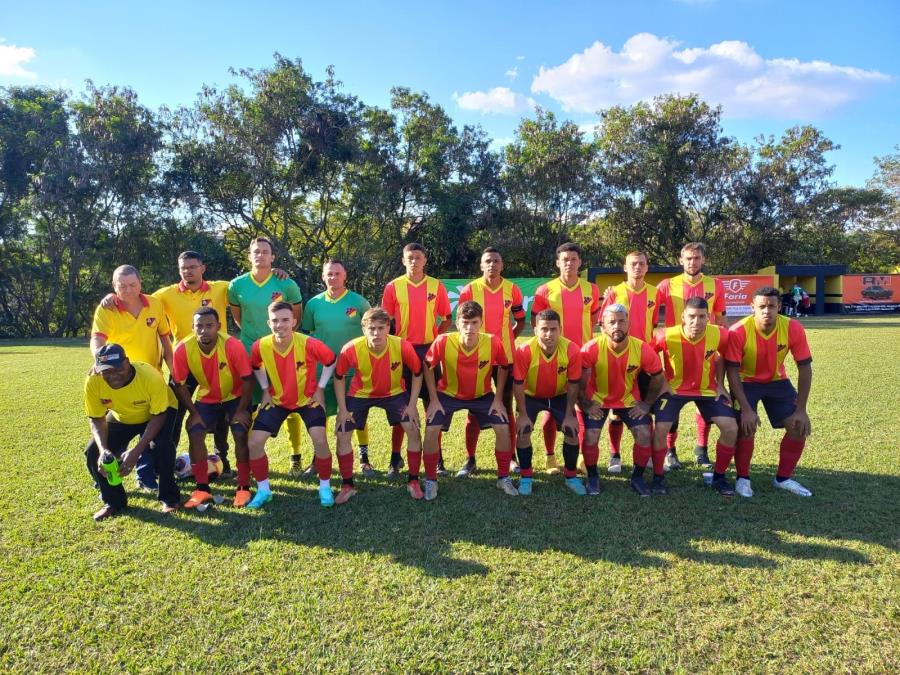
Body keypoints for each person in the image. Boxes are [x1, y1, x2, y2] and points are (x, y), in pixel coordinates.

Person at [247, 302, 339, 509]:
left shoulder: (308, 343)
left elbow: (331, 360)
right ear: (268, 323)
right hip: (277, 401)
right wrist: (264, 388)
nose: (280, 325)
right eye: (276, 321)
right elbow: (256, 365)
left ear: (294, 322)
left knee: (320, 441)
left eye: (285, 320)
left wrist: (321, 387)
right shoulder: (260, 345)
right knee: (254, 443)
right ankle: (263, 491)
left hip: (308, 400)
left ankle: (325, 487)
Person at [228, 237, 307, 477]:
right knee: (251, 403)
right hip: (250, 349)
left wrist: (279, 339)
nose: (260, 255)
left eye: (265, 252)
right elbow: (238, 318)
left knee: (290, 402)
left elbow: (296, 318)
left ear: (273, 257)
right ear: (249, 256)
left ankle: (295, 456)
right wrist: (255, 339)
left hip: (283, 350)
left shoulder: (287, 284)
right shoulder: (236, 285)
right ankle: (255, 457)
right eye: (256, 252)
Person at [724, 287, 814, 497]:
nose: (767, 311)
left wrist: (801, 409)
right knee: (746, 427)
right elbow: (732, 372)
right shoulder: (738, 330)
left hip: (777, 381)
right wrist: (745, 408)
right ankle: (743, 478)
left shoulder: (793, 328)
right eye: (762, 306)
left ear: (779, 307)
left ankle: (783, 479)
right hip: (746, 382)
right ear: (752, 307)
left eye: (772, 306)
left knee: (798, 428)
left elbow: (805, 368)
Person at [90, 264, 173, 490]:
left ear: (140, 284)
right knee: (119, 428)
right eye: (122, 286)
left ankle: (145, 477)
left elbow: (165, 339)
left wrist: (173, 368)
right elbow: (97, 338)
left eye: (132, 285)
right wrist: (99, 361)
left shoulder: (155, 304)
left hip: (149, 378)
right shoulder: (106, 308)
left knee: (148, 430)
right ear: (114, 286)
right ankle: (108, 471)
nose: (127, 290)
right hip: (118, 380)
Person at [423, 301, 516, 500]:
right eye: (465, 322)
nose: (469, 328)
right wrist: (433, 399)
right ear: (457, 323)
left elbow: (503, 367)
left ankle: (503, 477)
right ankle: (430, 480)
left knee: (503, 427)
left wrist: (498, 399)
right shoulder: (443, 341)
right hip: (447, 395)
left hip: (481, 395)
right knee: (431, 428)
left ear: (481, 323)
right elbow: (427, 366)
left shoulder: (492, 341)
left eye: (474, 323)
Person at [651, 297, 739, 496]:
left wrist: (720, 383)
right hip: (674, 390)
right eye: (691, 316)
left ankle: (719, 477)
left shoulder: (719, 334)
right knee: (661, 428)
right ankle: (658, 477)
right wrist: (662, 380)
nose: (696, 322)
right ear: (683, 317)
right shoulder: (667, 335)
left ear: (708, 318)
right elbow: (647, 356)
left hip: (707, 391)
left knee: (731, 427)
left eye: (701, 317)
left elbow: (724, 355)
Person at [334, 308, 424, 502]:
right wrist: (342, 409)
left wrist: (412, 404)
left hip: (395, 393)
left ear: (388, 328)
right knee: (342, 432)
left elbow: (418, 373)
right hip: (361, 394)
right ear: (364, 329)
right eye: (371, 328)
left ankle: (413, 480)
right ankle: (348, 485)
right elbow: (339, 377)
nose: (376, 333)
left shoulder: (402, 346)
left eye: (381, 328)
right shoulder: (350, 348)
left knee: (413, 428)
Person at [84, 344, 180, 520]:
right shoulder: (93, 381)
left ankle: (170, 498)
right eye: (106, 372)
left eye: (118, 368)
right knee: (93, 451)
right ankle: (114, 501)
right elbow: (97, 418)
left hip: (157, 412)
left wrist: (137, 450)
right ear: (98, 370)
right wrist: (104, 449)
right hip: (123, 416)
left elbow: (159, 415)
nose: (113, 375)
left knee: (162, 446)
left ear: (127, 362)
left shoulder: (150, 376)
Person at [381, 243, 452, 476]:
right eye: (409, 258)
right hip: (403, 351)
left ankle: (438, 459)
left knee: (432, 404)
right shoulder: (393, 287)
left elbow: (447, 317)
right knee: (402, 405)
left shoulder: (436, 285)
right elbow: (386, 322)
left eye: (418, 257)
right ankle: (395, 458)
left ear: (425, 260)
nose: (414, 261)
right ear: (403, 261)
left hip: (429, 351)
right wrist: (395, 346)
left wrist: (436, 340)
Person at [171, 307, 254, 508]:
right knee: (195, 431)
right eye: (199, 326)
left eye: (209, 325)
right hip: (207, 398)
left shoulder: (233, 345)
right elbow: (179, 384)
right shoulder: (183, 348)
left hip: (235, 397)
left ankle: (243, 487)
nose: (204, 330)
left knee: (240, 431)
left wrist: (242, 410)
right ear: (192, 327)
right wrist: (193, 412)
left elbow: (248, 380)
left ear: (218, 326)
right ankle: (202, 489)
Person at [580, 304, 665, 496]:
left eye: (621, 321)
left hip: (628, 399)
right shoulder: (591, 349)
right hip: (598, 400)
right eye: (612, 322)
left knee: (644, 433)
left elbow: (658, 377)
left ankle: (637, 477)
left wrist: (646, 404)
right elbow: (578, 382)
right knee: (591, 435)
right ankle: (593, 477)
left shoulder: (642, 348)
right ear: (603, 327)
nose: (617, 326)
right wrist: (586, 404)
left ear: (629, 324)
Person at [530, 242, 601, 473]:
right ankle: (550, 458)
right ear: (557, 262)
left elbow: (592, 320)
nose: (569, 263)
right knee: (551, 408)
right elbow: (537, 323)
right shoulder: (545, 290)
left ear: (580, 262)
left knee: (582, 404)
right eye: (565, 259)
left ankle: (581, 455)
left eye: (573, 259)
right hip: (554, 357)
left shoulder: (592, 290)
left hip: (583, 357)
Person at [655, 242, 726, 470]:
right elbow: (651, 315)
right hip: (674, 350)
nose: (692, 262)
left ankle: (701, 450)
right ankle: (670, 451)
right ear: (680, 260)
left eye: (696, 258)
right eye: (688, 258)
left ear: (703, 260)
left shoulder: (715, 285)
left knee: (705, 400)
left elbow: (721, 319)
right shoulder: (667, 285)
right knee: (672, 401)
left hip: (706, 350)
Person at [456, 247, 526, 477]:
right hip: (476, 359)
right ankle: (470, 458)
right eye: (488, 261)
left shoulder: (512, 290)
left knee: (506, 406)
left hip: (504, 358)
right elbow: (462, 325)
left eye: (496, 260)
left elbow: (521, 321)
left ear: (502, 265)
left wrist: (506, 342)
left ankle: (512, 457)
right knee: (474, 408)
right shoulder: (470, 290)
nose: (492, 265)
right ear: (481, 265)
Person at [299, 259, 374, 477]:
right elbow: (309, 334)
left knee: (356, 415)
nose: (333, 277)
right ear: (323, 277)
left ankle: (364, 457)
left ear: (345, 276)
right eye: (329, 274)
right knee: (319, 414)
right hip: (323, 370)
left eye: (337, 274)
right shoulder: (313, 304)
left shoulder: (359, 303)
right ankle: (317, 458)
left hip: (353, 369)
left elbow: (370, 333)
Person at [599, 250, 660, 473]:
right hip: (619, 357)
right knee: (616, 409)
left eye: (641, 264)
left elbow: (653, 324)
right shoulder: (614, 292)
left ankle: (650, 453)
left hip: (645, 359)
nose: (637, 267)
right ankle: (615, 455)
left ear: (647, 267)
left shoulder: (655, 293)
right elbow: (604, 324)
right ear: (625, 267)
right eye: (633, 264)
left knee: (646, 408)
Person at [512, 309, 581, 496]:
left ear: (561, 329)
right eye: (544, 329)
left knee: (572, 431)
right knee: (523, 430)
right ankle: (526, 477)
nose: (548, 334)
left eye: (553, 329)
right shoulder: (524, 350)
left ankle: (571, 477)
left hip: (559, 395)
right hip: (531, 396)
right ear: (535, 330)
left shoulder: (572, 350)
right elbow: (517, 384)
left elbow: (574, 384)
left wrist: (569, 414)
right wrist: (522, 414)